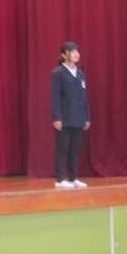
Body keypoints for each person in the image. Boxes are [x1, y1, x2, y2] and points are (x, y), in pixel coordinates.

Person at [50, 42, 90, 189]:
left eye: (77, 51)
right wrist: (56, 118)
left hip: (78, 117)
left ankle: (73, 178)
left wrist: (86, 117)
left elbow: (83, 97)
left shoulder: (80, 74)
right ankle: (60, 179)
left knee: (75, 149)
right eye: (72, 51)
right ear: (64, 54)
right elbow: (54, 97)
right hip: (64, 118)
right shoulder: (58, 73)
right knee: (62, 148)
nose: (76, 54)